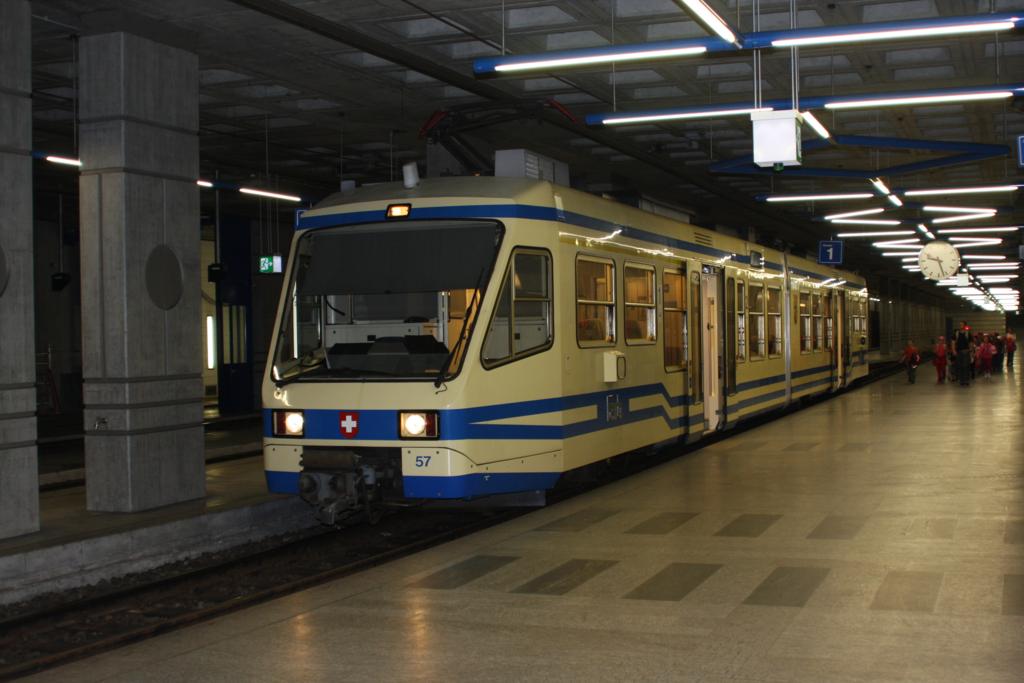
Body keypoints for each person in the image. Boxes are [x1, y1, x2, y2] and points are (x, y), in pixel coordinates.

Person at [954, 321, 972, 386]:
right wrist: (954, 350)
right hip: (959, 352)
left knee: (966, 366)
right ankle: (961, 380)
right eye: (960, 324)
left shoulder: (968, 333)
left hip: (966, 352)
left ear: (964, 326)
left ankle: (966, 380)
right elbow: (953, 342)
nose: (960, 326)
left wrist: (970, 350)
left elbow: (970, 343)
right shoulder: (956, 333)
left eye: (962, 324)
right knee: (960, 366)